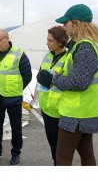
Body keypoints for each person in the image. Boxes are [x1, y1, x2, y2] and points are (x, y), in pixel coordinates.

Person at [53, 4, 98, 165]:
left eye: (65, 23)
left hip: (78, 113)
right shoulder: (88, 45)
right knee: (87, 154)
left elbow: (80, 82)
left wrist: (56, 79)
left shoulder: (85, 47)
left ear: (75, 23)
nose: (63, 26)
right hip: (86, 110)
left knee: (62, 158)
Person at [0, 28, 32, 166]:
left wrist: (15, 88)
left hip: (13, 97)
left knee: (16, 127)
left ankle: (16, 153)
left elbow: (27, 76)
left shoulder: (19, 54)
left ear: (7, 38)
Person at [36, 26, 69, 166]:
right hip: (46, 107)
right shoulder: (47, 56)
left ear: (60, 42)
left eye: (50, 40)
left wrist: (50, 80)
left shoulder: (68, 58)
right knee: (51, 142)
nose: (47, 43)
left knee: (60, 146)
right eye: (47, 40)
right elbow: (39, 75)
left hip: (59, 109)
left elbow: (67, 83)